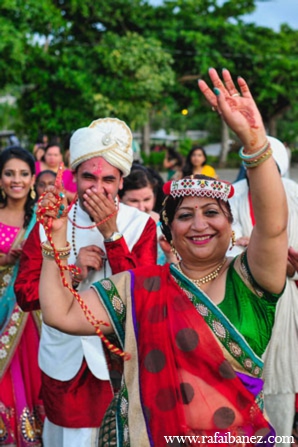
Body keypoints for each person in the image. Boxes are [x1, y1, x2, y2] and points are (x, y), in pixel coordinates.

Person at [36, 68, 288, 446]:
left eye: (212, 212)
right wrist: (54, 243)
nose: (199, 224)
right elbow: (61, 315)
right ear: (168, 235)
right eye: (185, 215)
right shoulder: (141, 287)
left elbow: (272, 227)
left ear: (231, 227)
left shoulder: (251, 280)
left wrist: (254, 141)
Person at [14, 117, 157, 447]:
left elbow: (143, 295)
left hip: (120, 361)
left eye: (108, 179)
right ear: (74, 178)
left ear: (121, 182)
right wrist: (72, 273)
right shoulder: (51, 221)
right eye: (88, 177)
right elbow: (24, 293)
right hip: (63, 359)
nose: (98, 188)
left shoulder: (140, 226)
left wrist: (112, 235)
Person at [228, 136, 298, 446]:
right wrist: (245, 251)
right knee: (238, 384)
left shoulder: (295, 196)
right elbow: (222, 242)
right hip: (238, 301)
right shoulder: (231, 196)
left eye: (268, 167)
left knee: (280, 380)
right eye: (254, 166)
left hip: (286, 303)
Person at [0, 146, 44, 446]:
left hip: (31, 312)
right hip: (2, 308)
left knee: (29, 372)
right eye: (9, 173)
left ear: (32, 178)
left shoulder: (44, 215)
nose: (17, 180)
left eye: (24, 174)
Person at [118, 165, 175, 265]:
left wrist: (170, 254)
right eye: (134, 201)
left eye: (147, 199)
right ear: (120, 199)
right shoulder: (113, 228)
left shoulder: (166, 225)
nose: (141, 207)